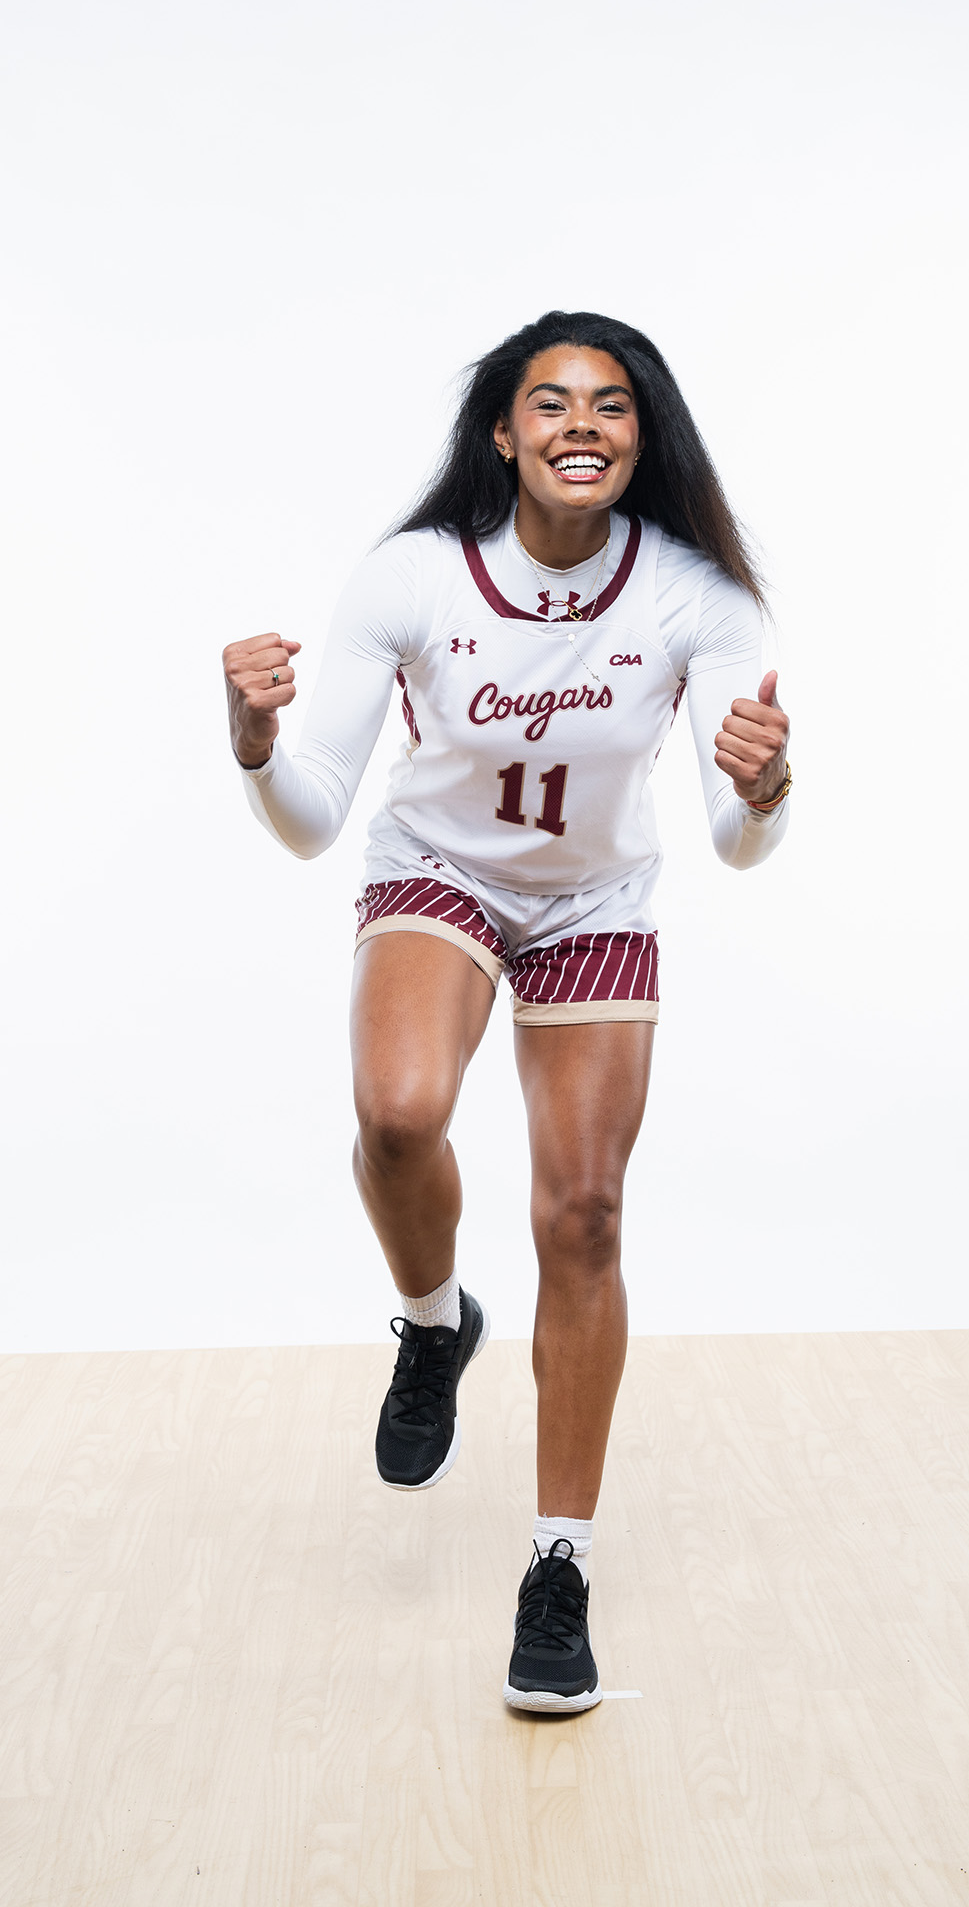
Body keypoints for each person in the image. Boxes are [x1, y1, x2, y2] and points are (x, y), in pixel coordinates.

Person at [222, 309, 790, 1714]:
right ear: (503, 432)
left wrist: (767, 786)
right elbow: (310, 821)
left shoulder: (697, 598)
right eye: (551, 404)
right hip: (441, 877)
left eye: (610, 405)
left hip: (595, 906)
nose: (581, 425)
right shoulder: (415, 577)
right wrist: (252, 743)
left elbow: (731, 836)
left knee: (582, 1215)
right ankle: (432, 1322)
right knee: (399, 1115)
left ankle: (558, 1565)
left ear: (641, 437)